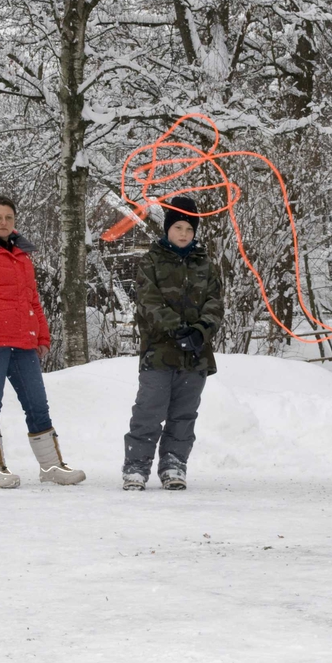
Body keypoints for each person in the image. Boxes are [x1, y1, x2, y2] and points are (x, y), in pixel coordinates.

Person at [0, 196, 85, 488]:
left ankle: (50, 466)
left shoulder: (21, 254)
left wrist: (43, 335)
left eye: (9, 217)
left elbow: (32, 300)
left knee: (37, 404)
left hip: (23, 343)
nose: (4, 223)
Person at [122, 196, 224, 491]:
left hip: (195, 354)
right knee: (148, 412)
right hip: (158, 352)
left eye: (189, 229)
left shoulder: (205, 264)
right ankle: (136, 467)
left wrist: (198, 331)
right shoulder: (151, 262)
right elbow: (147, 301)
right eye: (178, 227)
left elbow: (215, 304)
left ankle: (174, 464)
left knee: (184, 415)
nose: (183, 234)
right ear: (167, 228)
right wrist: (177, 329)